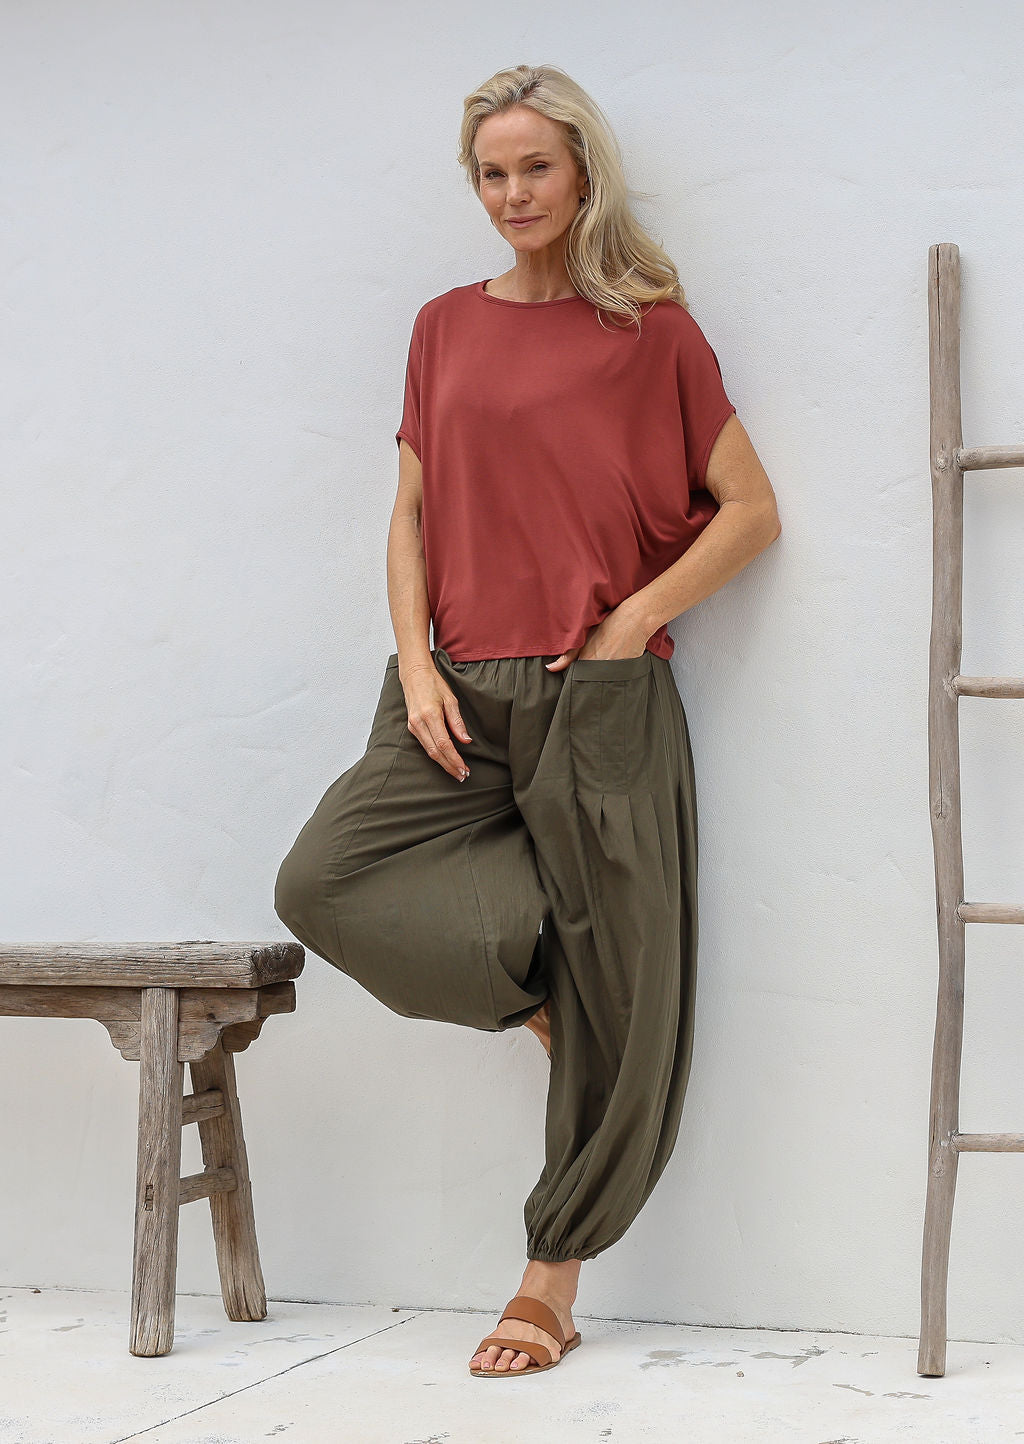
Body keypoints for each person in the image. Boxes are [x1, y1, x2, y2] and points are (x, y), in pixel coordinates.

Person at [274, 61, 781, 1380]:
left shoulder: (651, 331)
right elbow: (411, 514)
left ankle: (550, 1278)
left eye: (534, 168)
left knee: (623, 995)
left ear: (582, 171)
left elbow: (752, 509)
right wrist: (417, 661)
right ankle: (534, 985)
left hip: (597, 694)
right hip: (455, 685)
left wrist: (627, 624)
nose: (513, 193)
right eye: (492, 173)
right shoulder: (443, 325)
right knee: (324, 882)